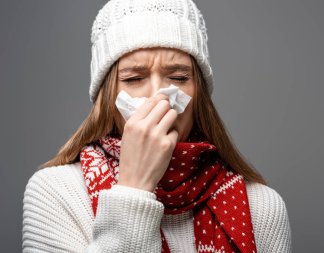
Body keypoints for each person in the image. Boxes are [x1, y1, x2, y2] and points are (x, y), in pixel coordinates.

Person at [22, 0, 292, 252]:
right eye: (133, 78)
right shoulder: (56, 193)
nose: (158, 96)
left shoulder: (260, 207)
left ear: (199, 94)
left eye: (178, 77)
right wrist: (135, 186)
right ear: (108, 97)